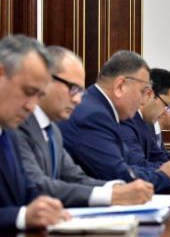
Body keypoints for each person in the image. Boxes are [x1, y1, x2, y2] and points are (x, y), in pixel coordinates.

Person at [15, 46, 153, 207]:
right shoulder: (17, 125)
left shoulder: (53, 130)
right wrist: (111, 195)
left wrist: (116, 189)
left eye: (80, 91)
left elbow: (75, 178)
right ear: (44, 81)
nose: (78, 100)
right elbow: (36, 185)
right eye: (73, 88)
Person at [58, 51, 170, 193]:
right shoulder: (94, 115)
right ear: (120, 86)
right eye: (143, 92)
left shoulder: (101, 109)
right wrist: (163, 177)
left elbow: (125, 167)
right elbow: (117, 174)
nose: (143, 100)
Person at [0, 35, 69, 231]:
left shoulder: (10, 134)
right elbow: (21, 211)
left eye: (38, 96)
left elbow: (25, 190)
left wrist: (47, 208)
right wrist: (21, 216)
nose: (31, 107)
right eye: (28, 92)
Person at [119, 68, 170, 172]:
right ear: (149, 95)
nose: (166, 112)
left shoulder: (145, 123)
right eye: (167, 105)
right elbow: (138, 165)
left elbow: (159, 157)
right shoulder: (126, 120)